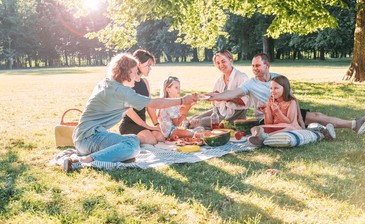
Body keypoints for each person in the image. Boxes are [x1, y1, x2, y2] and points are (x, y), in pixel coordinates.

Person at [64, 53, 198, 172]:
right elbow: (155, 103)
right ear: (127, 72)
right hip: (89, 138)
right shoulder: (122, 92)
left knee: (131, 140)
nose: (136, 74)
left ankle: (115, 155)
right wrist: (182, 100)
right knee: (132, 145)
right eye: (134, 71)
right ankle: (84, 161)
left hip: (82, 138)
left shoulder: (107, 83)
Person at [207, 53, 365, 134]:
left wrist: (297, 116)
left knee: (316, 115)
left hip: (287, 110)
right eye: (253, 66)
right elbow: (232, 93)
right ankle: (317, 131)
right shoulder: (251, 83)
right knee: (296, 126)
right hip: (266, 117)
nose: (254, 69)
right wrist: (213, 96)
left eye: (257, 66)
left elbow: (292, 99)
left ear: (267, 65)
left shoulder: (279, 79)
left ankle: (354, 124)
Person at [247, 75, 335, 146]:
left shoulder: (291, 102)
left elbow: (289, 122)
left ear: (284, 88)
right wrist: (266, 111)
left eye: (276, 88)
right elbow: (269, 123)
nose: (272, 91)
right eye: (271, 88)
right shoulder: (270, 101)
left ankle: (265, 137)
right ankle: (257, 136)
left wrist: (277, 111)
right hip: (277, 128)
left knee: (288, 127)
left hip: (291, 127)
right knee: (255, 128)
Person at [187, 50, 250, 129]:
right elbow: (216, 99)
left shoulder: (241, 77)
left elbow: (245, 102)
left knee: (198, 123)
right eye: (218, 63)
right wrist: (208, 96)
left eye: (223, 61)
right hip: (219, 111)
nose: (221, 65)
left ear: (231, 61)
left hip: (234, 116)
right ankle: (185, 130)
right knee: (193, 119)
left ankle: (190, 133)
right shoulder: (220, 80)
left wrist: (223, 97)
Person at [119, 49, 165, 145]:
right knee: (151, 140)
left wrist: (156, 125)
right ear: (138, 64)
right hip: (129, 125)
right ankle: (123, 141)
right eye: (148, 65)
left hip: (143, 125)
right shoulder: (127, 83)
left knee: (160, 137)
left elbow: (150, 106)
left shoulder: (145, 82)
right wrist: (148, 126)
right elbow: (129, 111)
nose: (150, 68)